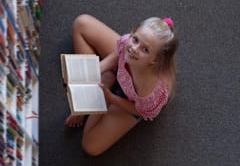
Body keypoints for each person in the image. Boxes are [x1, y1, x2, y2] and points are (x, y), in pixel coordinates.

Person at [64, 14, 179, 156]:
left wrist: (110, 98)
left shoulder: (150, 89)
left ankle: (99, 98)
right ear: (132, 32)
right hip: (122, 71)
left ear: (155, 60)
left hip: (129, 101)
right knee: (81, 23)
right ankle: (103, 83)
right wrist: (86, 77)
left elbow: (139, 111)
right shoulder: (128, 45)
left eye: (145, 50)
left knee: (90, 146)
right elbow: (116, 56)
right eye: (135, 39)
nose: (134, 49)